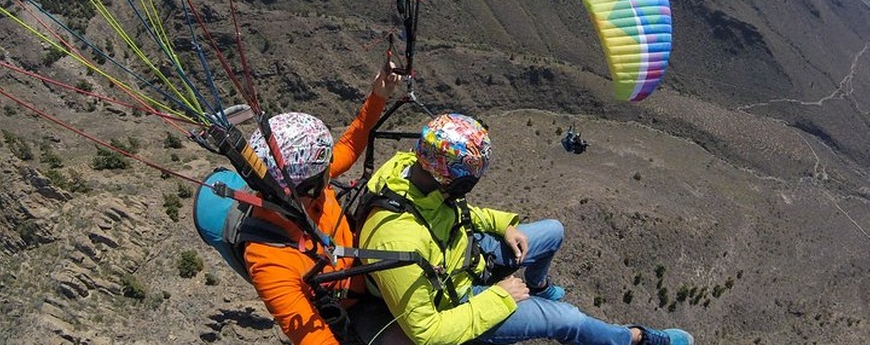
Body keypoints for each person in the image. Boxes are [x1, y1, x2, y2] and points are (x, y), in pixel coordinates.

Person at [358, 113, 695, 345]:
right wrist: (501, 297)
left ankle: (539, 284)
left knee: (554, 231)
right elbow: (427, 332)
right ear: (450, 180)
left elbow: (457, 211)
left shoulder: (414, 172)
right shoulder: (396, 240)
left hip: (464, 254)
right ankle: (634, 337)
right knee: (568, 320)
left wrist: (502, 224)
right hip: (459, 299)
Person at [242, 62, 400, 345]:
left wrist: (378, 96)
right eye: (324, 171)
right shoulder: (269, 262)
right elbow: (315, 339)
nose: (331, 172)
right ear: (303, 186)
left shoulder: (303, 185)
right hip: (352, 311)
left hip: (364, 272)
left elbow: (349, 147)